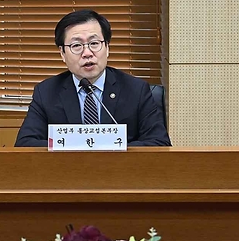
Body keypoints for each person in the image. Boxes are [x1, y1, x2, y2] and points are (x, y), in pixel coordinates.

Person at [15, 9, 171, 147]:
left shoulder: (136, 90)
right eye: (76, 46)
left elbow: (159, 143)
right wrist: (78, 145)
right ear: (62, 53)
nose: (87, 53)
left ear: (107, 48)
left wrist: (112, 147)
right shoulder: (46, 92)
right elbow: (25, 144)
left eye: (94, 43)